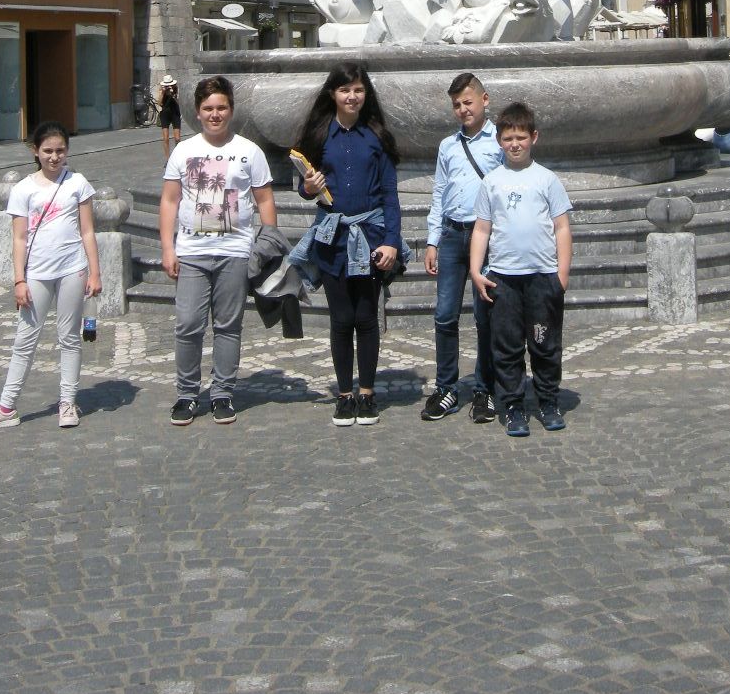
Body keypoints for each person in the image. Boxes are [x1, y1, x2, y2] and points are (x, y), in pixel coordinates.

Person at [159, 75, 277, 426]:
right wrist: (168, 248)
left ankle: (223, 392)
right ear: (198, 112)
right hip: (192, 251)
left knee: (228, 325)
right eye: (208, 108)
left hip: (235, 250)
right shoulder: (184, 151)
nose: (215, 114)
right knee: (188, 324)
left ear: (231, 110)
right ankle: (187, 394)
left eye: (221, 107)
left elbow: (264, 200)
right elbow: (169, 200)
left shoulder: (249, 151)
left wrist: (267, 245)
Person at [0, 120, 102, 432]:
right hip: (37, 273)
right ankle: (6, 408)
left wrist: (95, 273)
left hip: (72, 268)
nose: (55, 157)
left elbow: (87, 230)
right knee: (25, 339)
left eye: (60, 150)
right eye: (48, 151)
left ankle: (67, 402)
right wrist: (19, 280)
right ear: (35, 151)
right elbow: (18, 238)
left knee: (69, 337)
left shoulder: (78, 183)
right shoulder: (23, 189)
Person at [291, 62, 402, 427]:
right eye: (344, 90)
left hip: (370, 236)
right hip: (332, 237)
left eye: (358, 89)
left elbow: (390, 194)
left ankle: (366, 393)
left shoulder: (377, 136)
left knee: (366, 317)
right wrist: (307, 188)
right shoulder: (320, 135)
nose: (352, 96)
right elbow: (305, 185)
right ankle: (343, 395)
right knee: (341, 319)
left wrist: (392, 241)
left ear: (366, 93)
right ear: (332, 94)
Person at [469, 101, 571, 438]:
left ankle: (548, 401)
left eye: (521, 137)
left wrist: (562, 275)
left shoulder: (547, 179)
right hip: (503, 278)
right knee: (507, 346)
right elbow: (482, 229)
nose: (515, 144)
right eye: (508, 138)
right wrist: (475, 270)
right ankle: (513, 405)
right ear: (499, 141)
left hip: (542, 276)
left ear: (534, 137)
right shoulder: (492, 182)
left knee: (545, 344)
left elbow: (561, 228)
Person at [421, 72, 504, 423]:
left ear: (484, 100)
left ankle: (485, 389)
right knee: (444, 314)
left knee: (485, 316)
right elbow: (440, 192)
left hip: (486, 237)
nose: (462, 110)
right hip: (453, 235)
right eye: (456, 105)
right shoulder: (448, 146)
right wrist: (432, 239)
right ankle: (446, 388)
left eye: (468, 102)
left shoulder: (500, 141)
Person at [156, 74, 182, 159]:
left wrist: (173, 95)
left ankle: (177, 157)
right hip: (165, 114)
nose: (168, 87)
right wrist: (163, 93)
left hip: (175, 113)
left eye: (170, 85)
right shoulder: (161, 90)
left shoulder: (176, 89)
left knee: (177, 138)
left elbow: (179, 103)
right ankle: (168, 159)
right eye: (166, 85)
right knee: (165, 138)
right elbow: (159, 103)